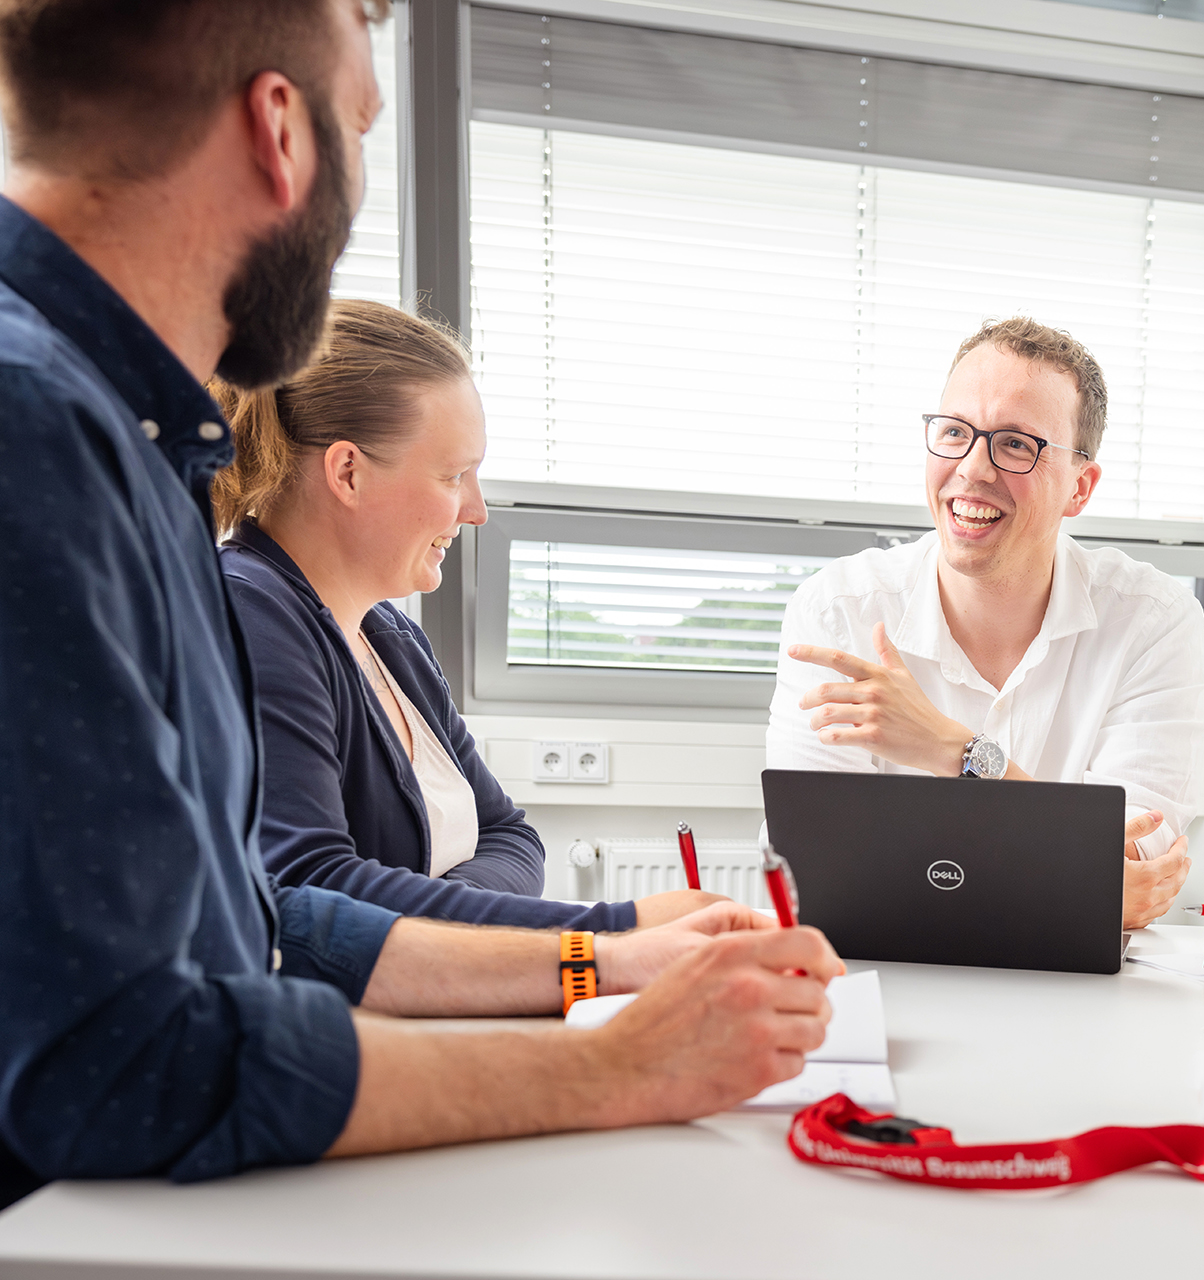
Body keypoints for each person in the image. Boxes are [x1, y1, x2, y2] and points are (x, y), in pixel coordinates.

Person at [0, 0, 838, 1210]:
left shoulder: (140, 456)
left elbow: (271, 918)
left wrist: (604, 953)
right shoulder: (36, 438)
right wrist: (612, 1062)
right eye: (362, 125)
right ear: (280, 131)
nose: (354, 216)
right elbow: (120, 1064)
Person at [212, 299, 715, 931]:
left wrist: (447, 908)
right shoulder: (250, 616)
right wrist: (616, 931)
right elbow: (312, 888)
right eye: (454, 476)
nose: (475, 511)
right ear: (348, 472)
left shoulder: (389, 637)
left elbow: (509, 835)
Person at [764, 317, 1204, 929]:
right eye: (954, 432)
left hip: (1078, 990)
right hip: (891, 970)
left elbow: (1132, 862)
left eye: (1015, 444)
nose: (973, 468)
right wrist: (1068, 875)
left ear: (1080, 487)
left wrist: (957, 751)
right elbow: (807, 874)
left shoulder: (1156, 624)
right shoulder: (839, 610)